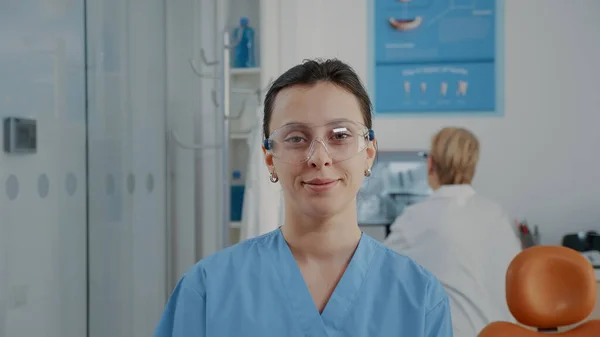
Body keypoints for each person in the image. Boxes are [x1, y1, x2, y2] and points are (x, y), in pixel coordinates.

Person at [154, 59, 453, 337]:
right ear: (270, 159)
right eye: (296, 138)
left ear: (369, 154)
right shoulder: (208, 291)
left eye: (340, 135)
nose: (319, 158)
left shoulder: (419, 298)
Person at [384, 127, 522, 337]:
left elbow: (377, 272)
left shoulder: (416, 217)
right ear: (472, 167)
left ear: (430, 164)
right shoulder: (497, 214)